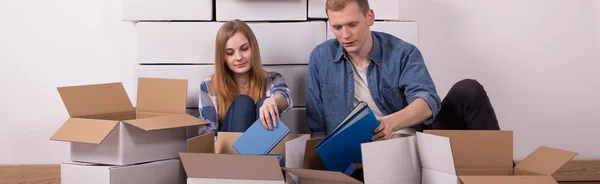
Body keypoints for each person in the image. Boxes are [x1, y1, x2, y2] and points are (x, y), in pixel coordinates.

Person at [306, 0, 500, 140]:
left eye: (352, 25)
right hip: (356, 151)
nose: (345, 35)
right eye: (337, 27)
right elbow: (318, 128)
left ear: (369, 17)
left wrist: (390, 123)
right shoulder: (320, 58)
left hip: (412, 141)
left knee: (468, 90)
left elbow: (428, 102)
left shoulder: (402, 52)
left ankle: (495, 170)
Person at [198, 19, 293, 134]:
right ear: (222, 57)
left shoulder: (273, 79)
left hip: (264, 147)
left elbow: (285, 97)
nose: (239, 57)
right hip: (227, 149)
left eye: (244, 49)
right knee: (243, 103)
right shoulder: (209, 86)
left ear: (253, 48)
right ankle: (245, 152)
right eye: (230, 53)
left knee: (264, 102)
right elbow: (207, 135)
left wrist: (273, 101)